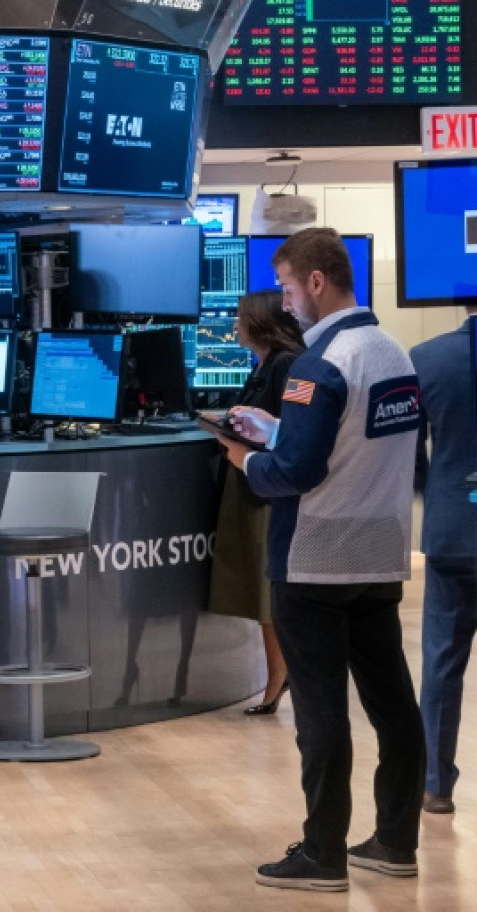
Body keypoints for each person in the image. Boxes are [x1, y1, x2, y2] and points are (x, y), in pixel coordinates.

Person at [218, 228, 425, 892]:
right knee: (393, 703)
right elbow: (356, 445)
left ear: (314, 282)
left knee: (321, 710)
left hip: (313, 561)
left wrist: (249, 457)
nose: (283, 305)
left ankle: (323, 853)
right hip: (377, 554)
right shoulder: (394, 353)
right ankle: (395, 841)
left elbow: (298, 474)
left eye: (285, 288)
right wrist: (276, 428)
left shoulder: (318, 365)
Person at [206, 291, 304, 715]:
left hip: (265, 490)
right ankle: (277, 675)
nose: (234, 325)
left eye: (241, 317)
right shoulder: (264, 364)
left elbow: (286, 429)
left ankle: (279, 677)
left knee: (268, 593)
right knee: (262, 592)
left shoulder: (285, 364)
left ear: (262, 323)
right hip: (251, 484)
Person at [411, 306, 477, 815]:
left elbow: (411, 457)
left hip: (453, 527)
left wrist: (437, 492)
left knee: (441, 661)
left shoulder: (426, 358)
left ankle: (435, 785)